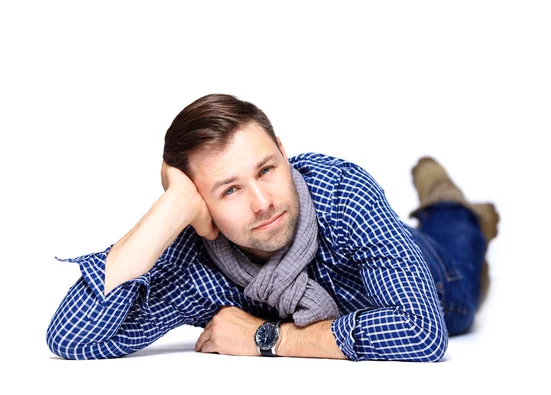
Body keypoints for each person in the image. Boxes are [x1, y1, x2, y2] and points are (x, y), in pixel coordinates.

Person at [46, 94, 500, 362]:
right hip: (389, 268)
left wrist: (267, 338)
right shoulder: (194, 265)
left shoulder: (341, 190)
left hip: (442, 281)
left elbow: (421, 332)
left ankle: (449, 202)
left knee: (457, 234)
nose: (263, 204)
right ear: (199, 205)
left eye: (266, 170)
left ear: (283, 151)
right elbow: (70, 338)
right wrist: (171, 206)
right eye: (229, 191)